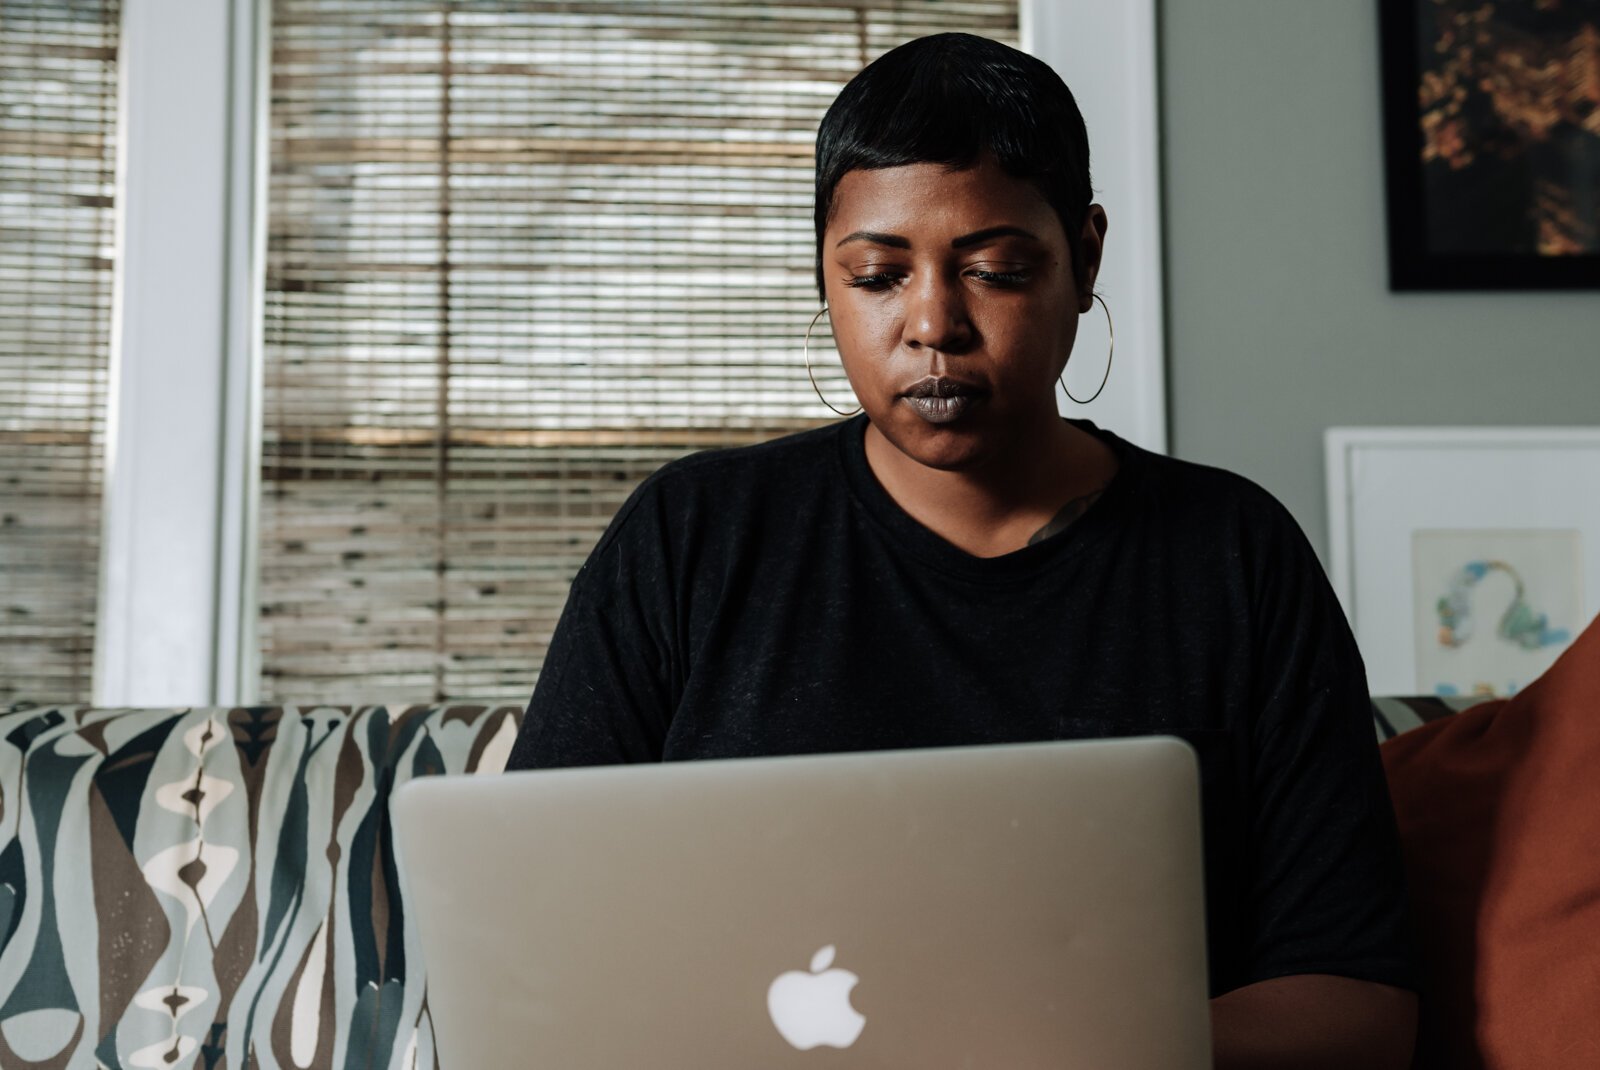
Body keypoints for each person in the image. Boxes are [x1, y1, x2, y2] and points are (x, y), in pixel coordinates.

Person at [507, 32, 1418, 1069]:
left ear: (1085, 258)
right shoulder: (689, 538)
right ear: (824, 274)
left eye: (994, 268)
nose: (933, 323)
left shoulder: (1232, 554)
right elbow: (535, 944)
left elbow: (1358, 1004)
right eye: (877, 275)